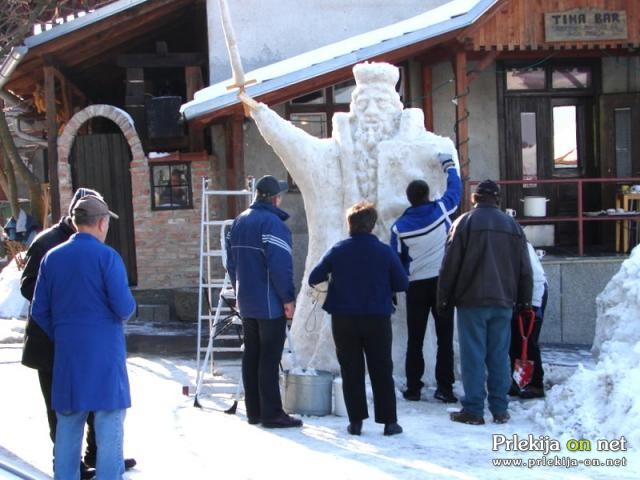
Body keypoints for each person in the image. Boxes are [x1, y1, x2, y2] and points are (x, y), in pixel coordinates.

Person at [238, 61, 459, 371]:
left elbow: (449, 193)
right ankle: (399, 389)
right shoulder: (334, 154)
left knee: (409, 337)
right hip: (385, 282)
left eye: (379, 103)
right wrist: (260, 113)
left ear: (395, 107)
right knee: (368, 348)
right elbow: (294, 144)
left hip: (405, 276)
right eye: (362, 103)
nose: (370, 111)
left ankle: (408, 381)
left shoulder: (425, 147)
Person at [20, 188, 136, 479]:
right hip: (105, 357)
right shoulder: (107, 258)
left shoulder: (52, 257)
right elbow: (124, 307)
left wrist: (63, 333)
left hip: (67, 356)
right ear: (101, 223)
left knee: (67, 429)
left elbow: (39, 309)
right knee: (109, 427)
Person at [437, 180, 533, 425]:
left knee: (473, 355)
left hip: (471, 300)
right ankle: (500, 409)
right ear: (498, 199)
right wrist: (524, 301)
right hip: (503, 300)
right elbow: (525, 268)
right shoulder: (512, 226)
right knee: (499, 355)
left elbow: (450, 265)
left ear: (475, 198)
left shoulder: (464, 223)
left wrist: (444, 298)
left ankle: (474, 409)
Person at [309, 201, 408, 436]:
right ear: (372, 225)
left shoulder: (338, 250)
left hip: (343, 318)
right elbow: (402, 283)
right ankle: (389, 422)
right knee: (381, 368)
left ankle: (356, 422)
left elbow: (315, 276)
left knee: (351, 369)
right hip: (377, 318)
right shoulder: (384, 251)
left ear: (349, 225)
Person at [225, 174, 302, 428]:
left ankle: (254, 411)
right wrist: (288, 298)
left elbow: (232, 263)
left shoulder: (239, 221)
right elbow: (280, 267)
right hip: (269, 303)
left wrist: (238, 293)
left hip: (246, 300)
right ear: (275, 199)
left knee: (252, 355)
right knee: (269, 358)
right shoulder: (273, 224)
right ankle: (272, 414)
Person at [390, 156, 461, 403]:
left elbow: (396, 262)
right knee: (444, 338)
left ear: (410, 199)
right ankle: (445, 388)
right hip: (443, 284)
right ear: (428, 195)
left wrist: (395, 291)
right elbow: (456, 191)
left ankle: (413, 388)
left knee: (415, 339)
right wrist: (449, 167)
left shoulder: (399, 228)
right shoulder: (440, 211)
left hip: (416, 286)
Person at [509, 242, 548, 399]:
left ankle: (535, 384)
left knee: (528, 342)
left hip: (533, 296)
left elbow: (536, 277)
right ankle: (519, 381)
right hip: (518, 297)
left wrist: (532, 305)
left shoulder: (521, 245)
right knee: (515, 342)